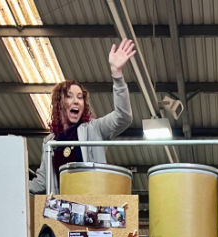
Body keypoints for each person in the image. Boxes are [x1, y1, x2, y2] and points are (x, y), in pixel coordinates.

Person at [29, 39, 137, 194]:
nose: (76, 101)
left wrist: (117, 74)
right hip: (63, 211)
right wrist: (14, 187)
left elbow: (123, 116)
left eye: (80, 97)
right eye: (70, 96)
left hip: (92, 206)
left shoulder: (94, 129)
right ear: (59, 103)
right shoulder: (50, 142)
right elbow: (41, 183)